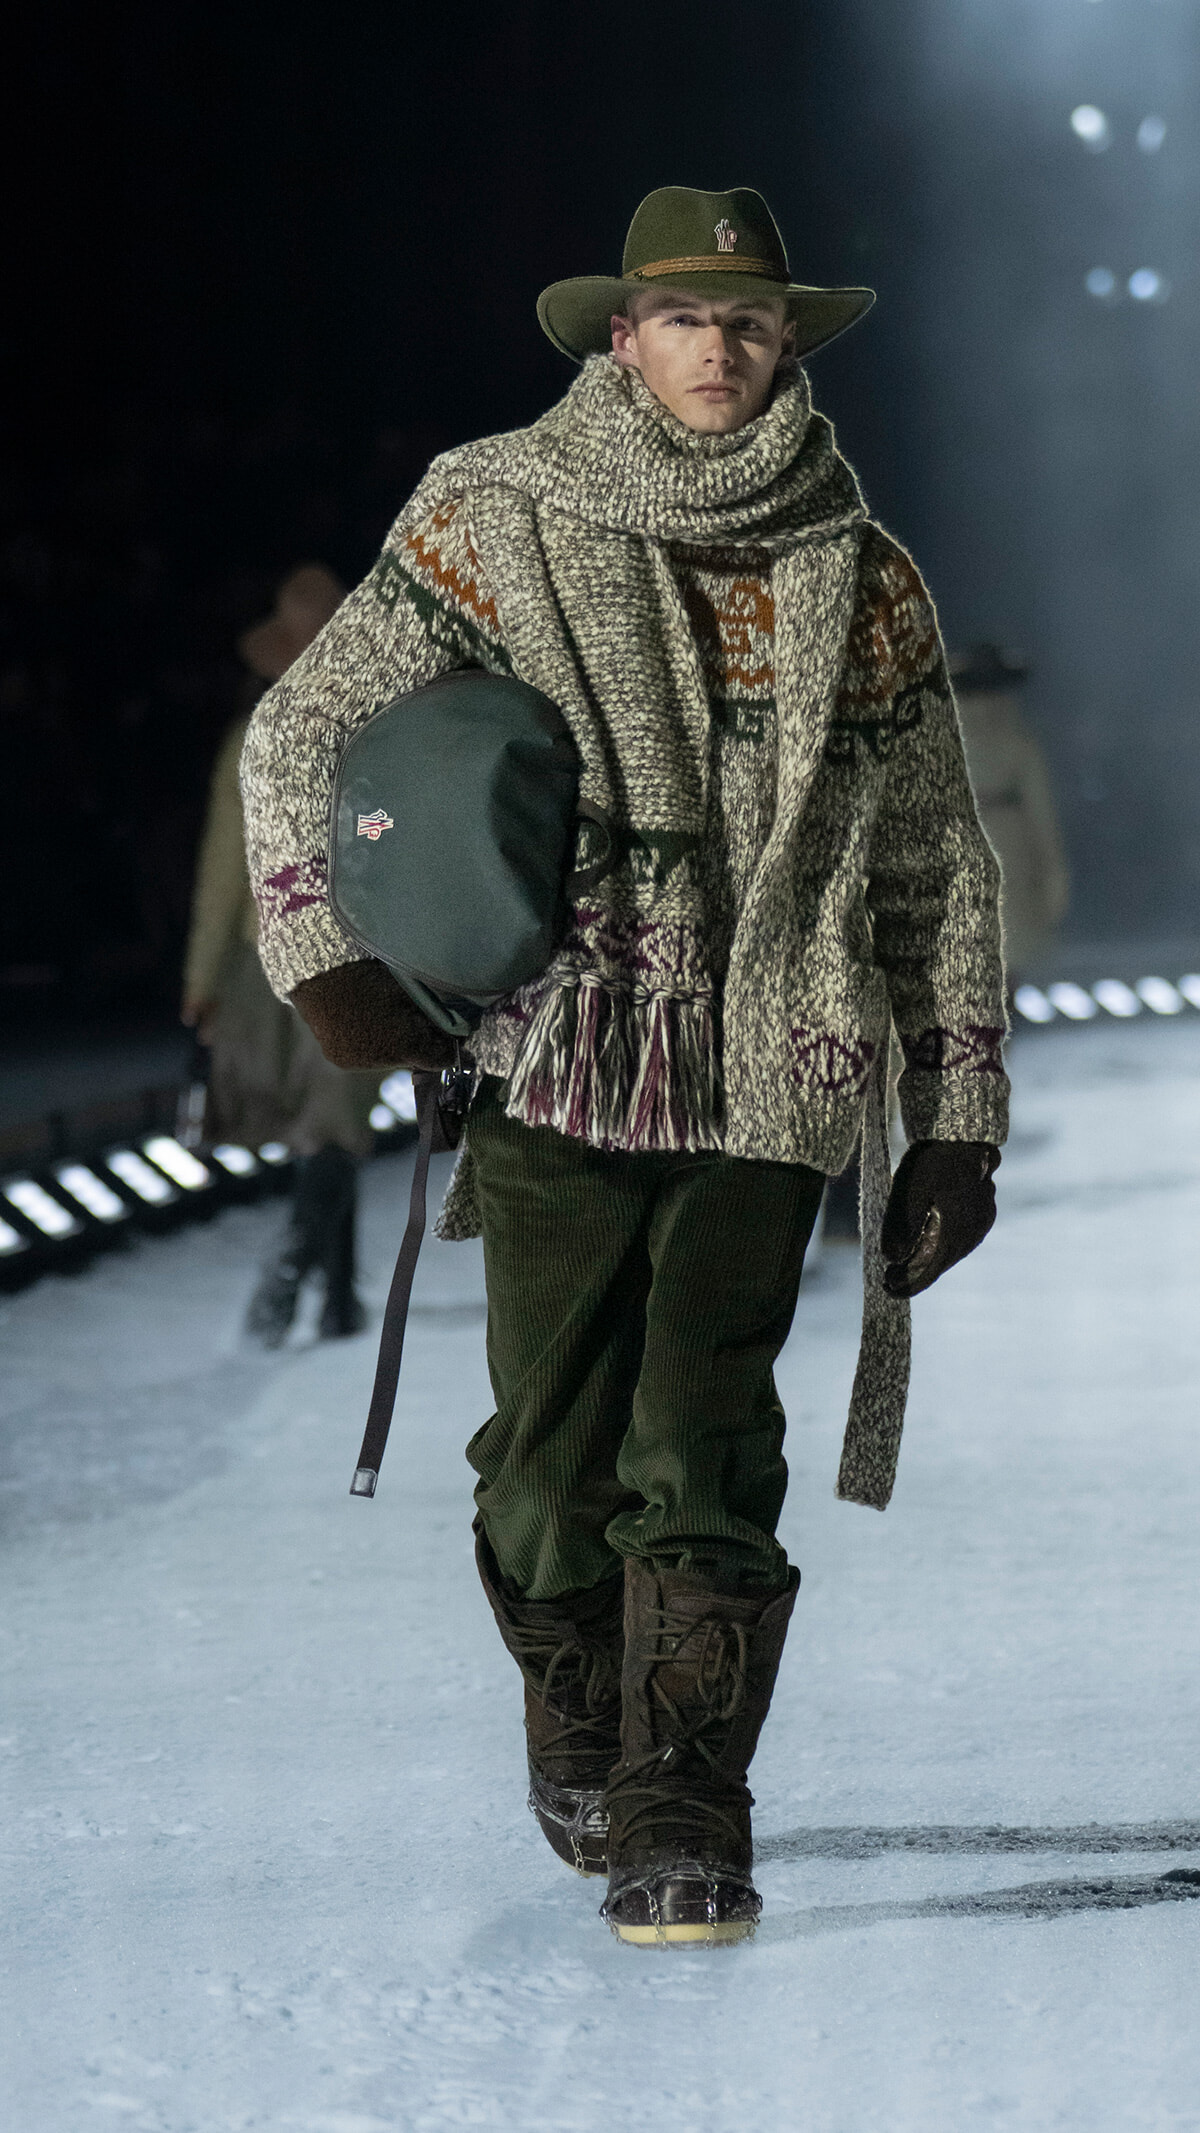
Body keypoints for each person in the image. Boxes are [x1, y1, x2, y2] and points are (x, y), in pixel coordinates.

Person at [240, 188, 1009, 1945]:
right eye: (684, 317)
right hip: (559, 1044)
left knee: (704, 1432)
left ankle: (684, 1796)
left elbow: (931, 858)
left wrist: (957, 1113)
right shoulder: (491, 508)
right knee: (542, 1454)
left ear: (788, 340)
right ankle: (579, 1692)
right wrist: (328, 954)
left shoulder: (861, 570)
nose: (719, 346)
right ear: (624, 336)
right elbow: (305, 728)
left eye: (747, 320)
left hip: (778, 1059)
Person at [182, 565, 378, 1346]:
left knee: (325, 1126)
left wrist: (203, 977)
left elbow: (224, 869)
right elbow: (385, 831)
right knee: (332, 1122)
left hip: (293, 954)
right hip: (344, 954)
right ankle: (312, 1282)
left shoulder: (259, 737)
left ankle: (317, 1290)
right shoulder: (370, 731)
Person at [950, 644, 1070, 983]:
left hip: (958, 842)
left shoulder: (939, 735)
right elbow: (1041, 814)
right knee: (1006, 957)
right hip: (1009, 847)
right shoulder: (1016, 736)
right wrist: (1053, 887)